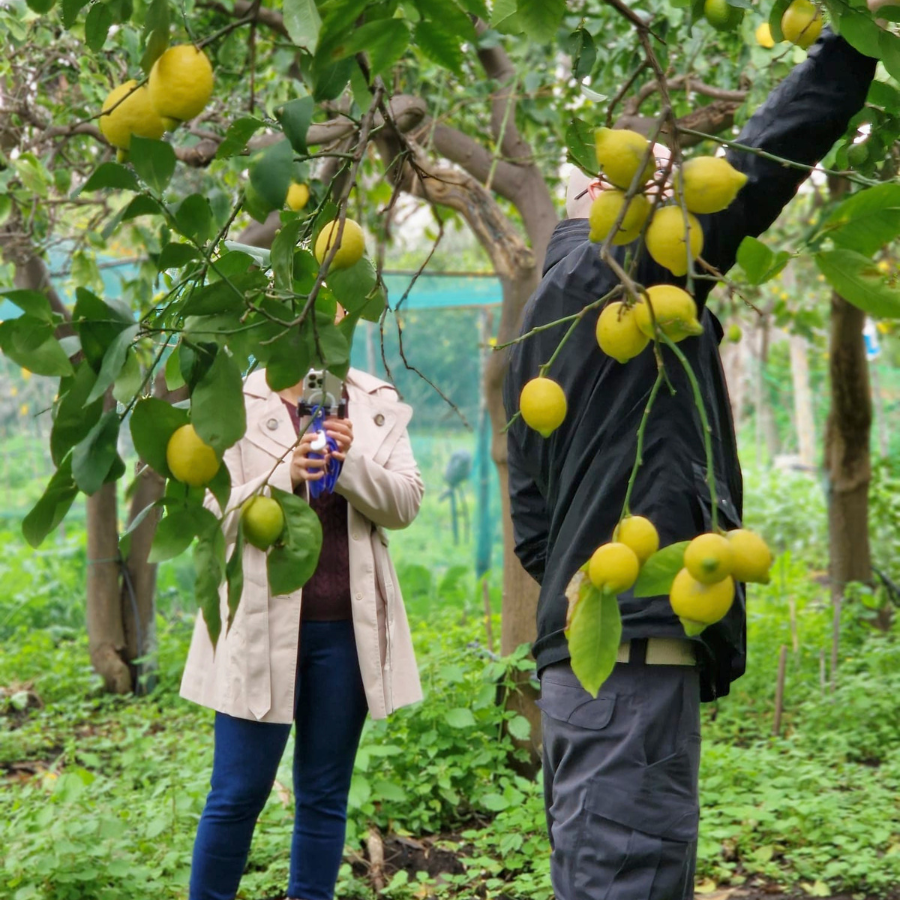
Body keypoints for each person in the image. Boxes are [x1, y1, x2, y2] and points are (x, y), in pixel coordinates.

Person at [502, 27, 877, 900]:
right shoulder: (631, 259)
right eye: (665, 189)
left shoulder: (542, 324)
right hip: (630, 660)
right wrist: (853, 44)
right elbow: (765, 159)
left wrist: (599, 573)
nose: (682, 210)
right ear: (627, 198)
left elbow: (531, 521)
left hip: (592, 661)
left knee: (607, 870)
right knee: (626, 878)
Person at [180, 348, 424, 900]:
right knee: (237, 792)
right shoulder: (232, 402)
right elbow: (209, 520)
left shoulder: (368, 400)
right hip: (259, 631)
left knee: (323, 794)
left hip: (345, 634)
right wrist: (281, 476)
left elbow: (406, 503)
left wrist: (350, 465)